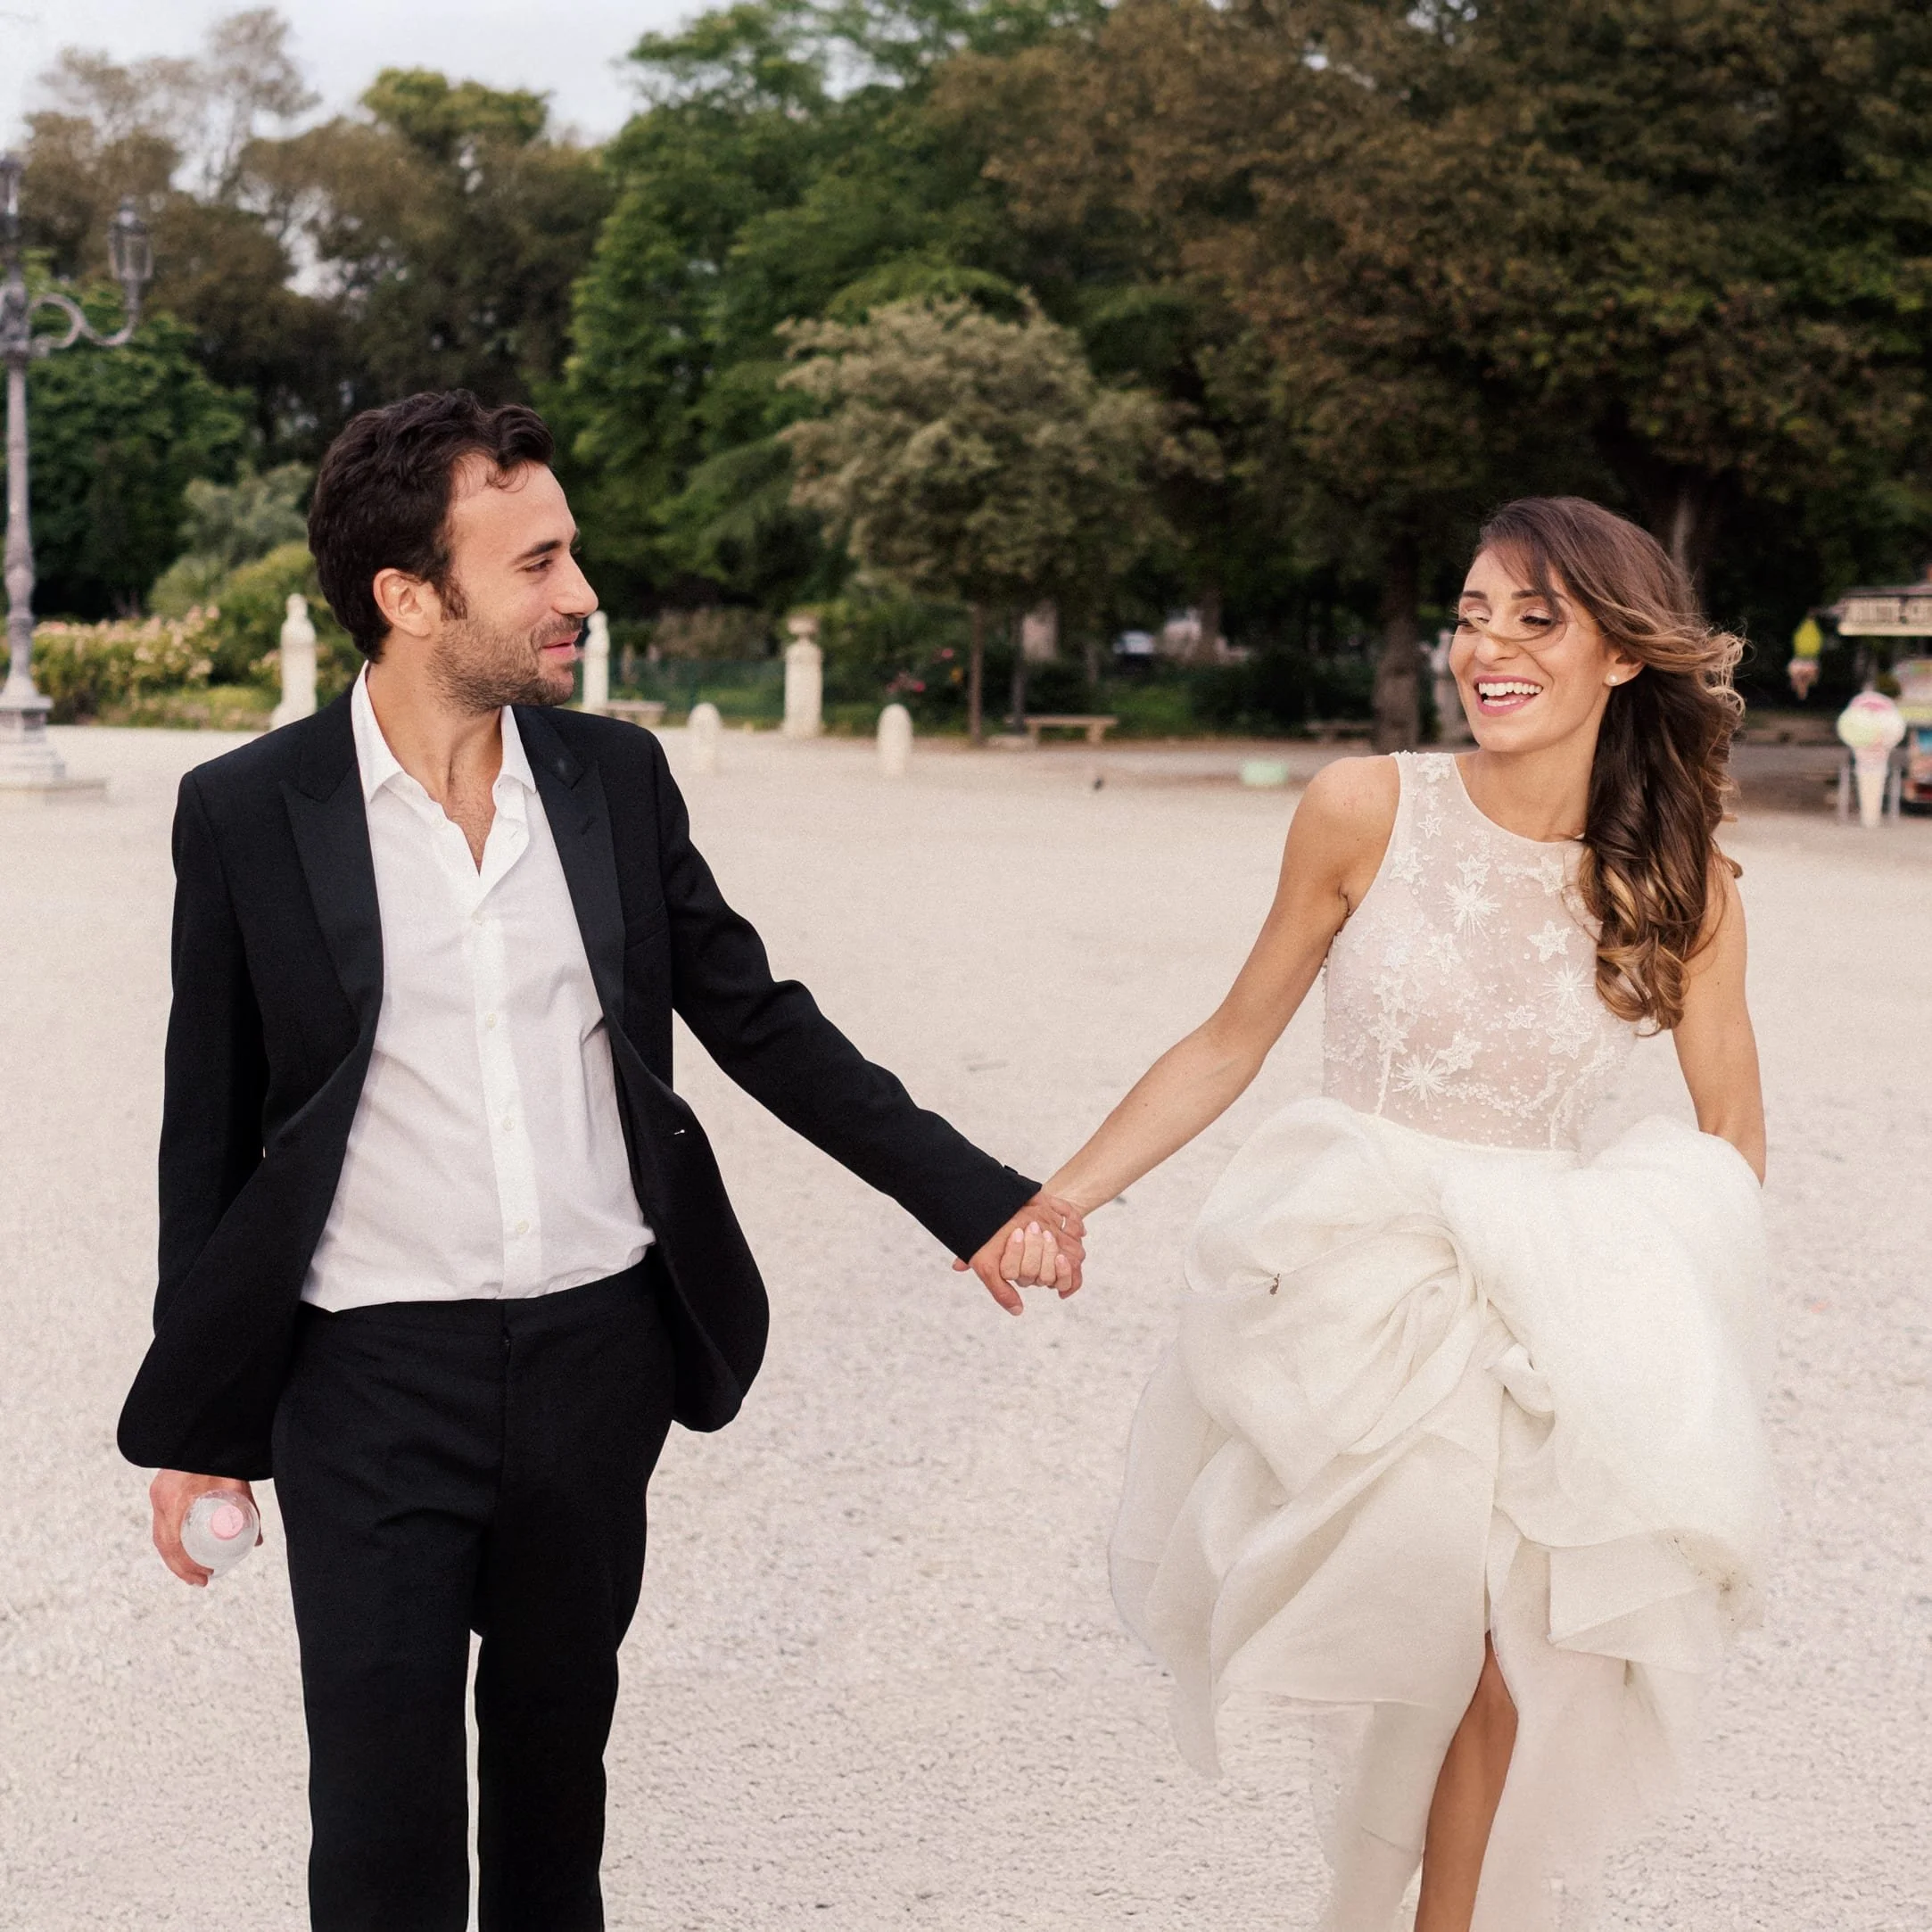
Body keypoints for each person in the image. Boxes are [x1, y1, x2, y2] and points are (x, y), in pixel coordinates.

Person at [117, 389, 1079, 1931]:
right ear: (410, 597)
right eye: (539, 563)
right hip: (364, 1382)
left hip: (595, 1358)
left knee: (557, 1807)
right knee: (379, 1834)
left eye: (572, 554)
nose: (581, 594)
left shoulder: (611, 780)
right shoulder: (245, 813)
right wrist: (200, 1416)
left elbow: (760, 1020)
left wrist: (973, 1197)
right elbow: (210, 1122)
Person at [1037, 498, 1776, 1930]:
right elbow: (1228, 1036)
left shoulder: (1681, 880)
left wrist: (1659, 1283)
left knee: (1503, 1649)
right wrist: (1062, 1194)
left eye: (1533, 618)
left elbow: (1732, 1128)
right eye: (1470, 612)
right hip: (1354, 1286)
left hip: (1540, 1305)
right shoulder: (1364, 807)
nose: (1486, 647)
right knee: (1424, 1636)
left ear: (1621, 656)